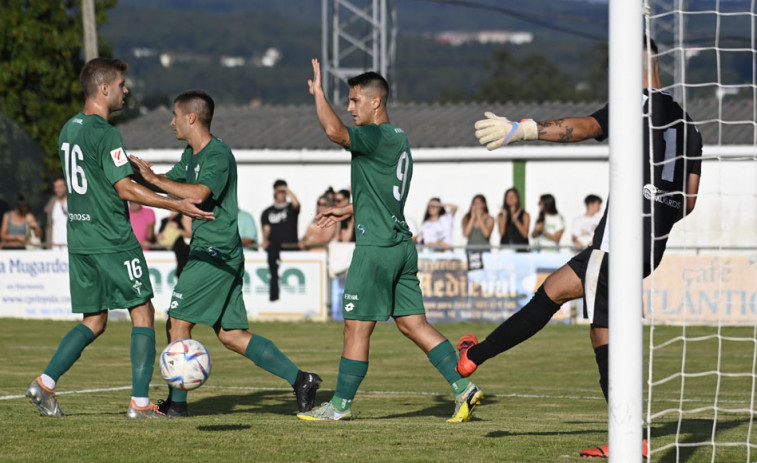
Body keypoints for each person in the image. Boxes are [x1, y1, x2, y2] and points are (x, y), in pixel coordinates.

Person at [458, 37, 702, 458]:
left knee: (578, 316)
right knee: (573, 304)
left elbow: (586, 127)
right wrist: (657, 208)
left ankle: (629, 439)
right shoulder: (690, 126)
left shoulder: (634, 104)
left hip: (618, 241)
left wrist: (524, 130)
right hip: (651, 247)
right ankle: (474, 357)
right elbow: (689, 202)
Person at [25, 58, 214, 420]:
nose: (127, 90)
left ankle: (45, 384)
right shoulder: (105, 132)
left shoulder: (69, 128)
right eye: (122, 84)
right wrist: (178, 204)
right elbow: (124, 188)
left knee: (94, 320)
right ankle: (140, 404)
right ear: (104, 89)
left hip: (79, 238)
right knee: (143, 312)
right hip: (111, 236)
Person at [297, 59, 482, 422]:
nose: (349, 108)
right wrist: (348, 210)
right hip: (400, 244)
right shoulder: (398, 138)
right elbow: (385, 194)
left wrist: (319, 95)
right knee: (413, 324)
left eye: (354, 101)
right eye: (346, 102)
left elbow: (335, 133)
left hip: (377, 247)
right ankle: (463, 388)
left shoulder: (375, 135)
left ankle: (339, 407)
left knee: (356, 326)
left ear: (375, 103)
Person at [129, 89, 322, 418]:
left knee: (177, 322)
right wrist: (128, 170)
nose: (171, 121)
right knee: (232, 335)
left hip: (214, 252)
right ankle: (301, 379)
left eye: (175, 115)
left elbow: (199, 193)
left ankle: (177, 405)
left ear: (192, 117)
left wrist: (153, 178)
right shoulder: (191, 156)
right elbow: (163, 183)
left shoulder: (217, 155)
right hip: (216, 251)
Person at [261, 180, 300, 251]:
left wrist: (286, 189)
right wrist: (265, 240)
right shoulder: (267, 212)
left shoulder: (291, 208)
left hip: (291, 248)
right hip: (274, 249)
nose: (282, 194)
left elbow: (296, 204)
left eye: (284, 192)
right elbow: (266, 229)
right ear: (275, 192)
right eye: (279, 192)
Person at [156, 211, 192, 277]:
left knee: (181, 270)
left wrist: (177, 229)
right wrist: (161, 236)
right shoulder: (165, 220)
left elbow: (189, 234)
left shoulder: (182, 217)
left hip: (180, 248)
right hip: (168, 248)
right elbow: (159, 237)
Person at [498, 187, 530, 252]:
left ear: (517, 198)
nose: (511, 198)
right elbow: (501, 233)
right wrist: (504, 216)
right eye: (508, 196)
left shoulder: (525, 215)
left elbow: (525, 234)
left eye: (513, 196)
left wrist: (516, 220)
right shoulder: (501, 215)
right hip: (506, 248)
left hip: (521, 248)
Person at [44, 176, 68, 249]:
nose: (58, 190)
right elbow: (49, 225)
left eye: (60, 187)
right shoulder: (52, 203)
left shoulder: (73, 202)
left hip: (70, 246)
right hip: (55, 246)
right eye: (56, 187)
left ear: (66, 187)